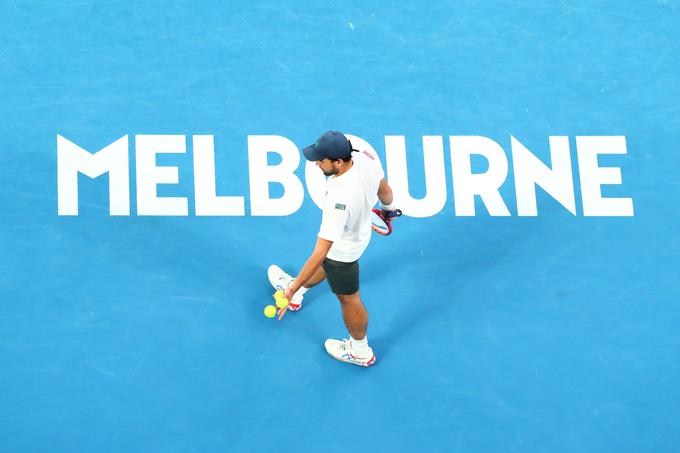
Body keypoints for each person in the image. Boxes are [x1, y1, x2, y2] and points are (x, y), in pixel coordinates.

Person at [267, 131, 398, 367]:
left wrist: (290, 289)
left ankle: (360, 351)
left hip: (344, 250)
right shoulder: (366, 157)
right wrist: (389, 210)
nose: (317, 163)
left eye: (321, 160)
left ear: (338, 161)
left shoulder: (339, 196)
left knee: (349, 299)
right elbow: (384, 190)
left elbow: (321, 252)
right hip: (358, 235)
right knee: (329, 265)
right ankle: (297, 292)